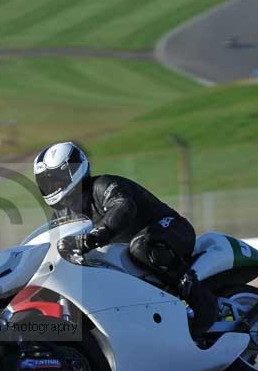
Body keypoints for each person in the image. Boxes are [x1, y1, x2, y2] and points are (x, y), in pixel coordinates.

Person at [33, 141, 217, 335]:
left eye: (56, 179)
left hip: (170, 230)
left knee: (141, 246)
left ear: (75, 170)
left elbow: (123, 206)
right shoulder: (63, 216)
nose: (52, 186)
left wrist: (92, 238)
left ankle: (199, 297)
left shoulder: (103, 185)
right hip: (129, 257)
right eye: (46, 182)